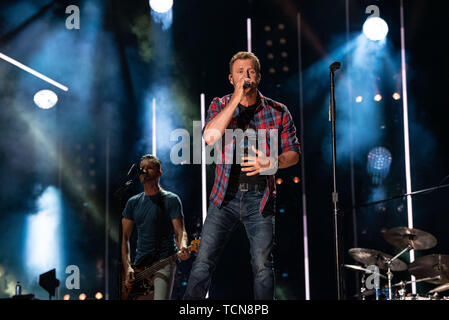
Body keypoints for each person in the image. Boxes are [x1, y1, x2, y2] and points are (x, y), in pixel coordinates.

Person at [184, 51, 300, 300]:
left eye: (250, 71)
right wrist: (235, 99)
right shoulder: (219, 104)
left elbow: (294, 153)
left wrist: (274, 162)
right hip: (224, 198)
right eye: (240, 72)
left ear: (258, 76)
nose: (245, 76)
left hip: (260, 200)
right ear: (231, 78)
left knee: (262, 266)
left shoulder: (278, 111)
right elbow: (208, 137)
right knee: (203, 262)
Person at [121, 154, 190, 300]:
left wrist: (183, 246)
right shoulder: (133, 202)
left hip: (165, 260)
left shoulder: (171, 200)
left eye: (149, 168)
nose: (144, 171)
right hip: (140, 266)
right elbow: (125, 238)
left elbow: (180, 231)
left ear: (159, 173)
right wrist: (128, 268)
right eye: (142, 168)